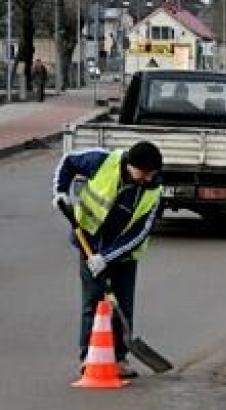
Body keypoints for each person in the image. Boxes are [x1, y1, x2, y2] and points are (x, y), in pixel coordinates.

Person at [52, 141, 164, 378]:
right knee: (92, 301)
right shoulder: (104, 161)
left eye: (151, 174)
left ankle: (120, 358)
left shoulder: (154, 190)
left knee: (122, 305)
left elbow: (140, 233)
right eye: (143, 173)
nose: (146, 178)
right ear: (130, 165)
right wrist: (60, 191)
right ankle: (88, 358)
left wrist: (107, 258)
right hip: (88, 242)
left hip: (123, 255)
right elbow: (69, 162)